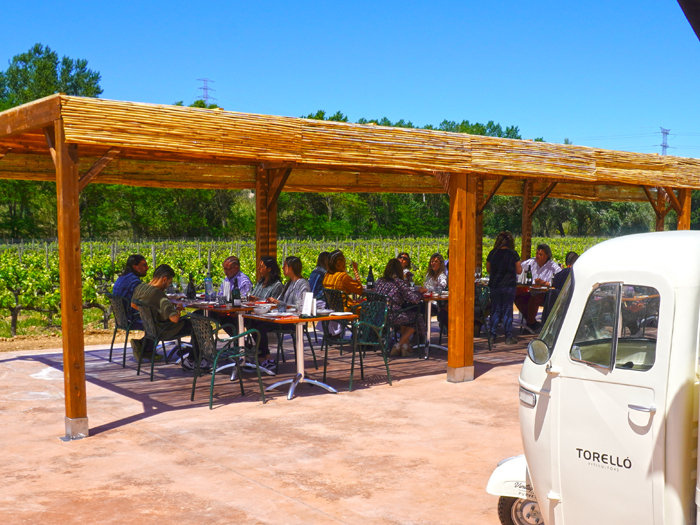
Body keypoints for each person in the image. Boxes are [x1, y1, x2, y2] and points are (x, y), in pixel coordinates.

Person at [131, 264, 206, 371]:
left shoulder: (140, 287)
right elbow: (174, 319)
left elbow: (133, 305)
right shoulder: (158, 294)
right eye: (169, 282)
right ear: (164, 279)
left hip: (152, 328)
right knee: (200, 323)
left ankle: (192, 353)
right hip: (165, 330)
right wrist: (178, 309)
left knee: (197, 316)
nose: (168, 286)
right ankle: (193, 360)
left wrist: (153, 313)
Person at [249, 256, 312, 372]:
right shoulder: (289, 283)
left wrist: (278, 302)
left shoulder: (302, 284)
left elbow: (300, 307)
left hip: (293, 321)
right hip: (283, 317)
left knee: (260, 325)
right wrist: (275, 301)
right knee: (253, 322)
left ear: (291, 268)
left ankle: (266, 358)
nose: (282, 268)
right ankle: (264, 357)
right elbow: (281, 302)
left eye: (285, 265)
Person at [375, 258, 426, 357]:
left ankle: (406, 348)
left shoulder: (379, 281)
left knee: (407, 315)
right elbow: (414, 299)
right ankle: (398, 345)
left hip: (380, 315)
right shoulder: (399, 282)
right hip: (393, 316)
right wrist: (420, 292)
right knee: (417, 317)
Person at [112, 254, 153, 359]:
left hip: (121, 319)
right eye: (144, 265)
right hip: (131, 319)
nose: (147, 268)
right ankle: (144, 349)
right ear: (135, 267)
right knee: (157, 321)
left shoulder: (121, 279)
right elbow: (140, 304)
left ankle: (143, 346)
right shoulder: (134, 282)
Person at [486, 232, 522, 345]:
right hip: (509, 286)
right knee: (507, 310)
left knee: (495, 310)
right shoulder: (513, 254)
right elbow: (519, 270)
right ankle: (508, 337)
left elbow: (488, 269)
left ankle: (492, 336)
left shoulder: (492, 253)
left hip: (495, 285)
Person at [515, 243, 561, 330]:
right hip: (531, 291)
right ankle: (532, 322)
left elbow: (559, 279)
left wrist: (544, 283)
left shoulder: (553, 266)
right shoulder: (531, 262)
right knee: (518, 298)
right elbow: (518, 267)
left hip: (546, 295)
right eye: (537, 253)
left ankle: (530, 324)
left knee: (534, 300)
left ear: (547, 256)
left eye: (540, 254)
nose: (537, 256)